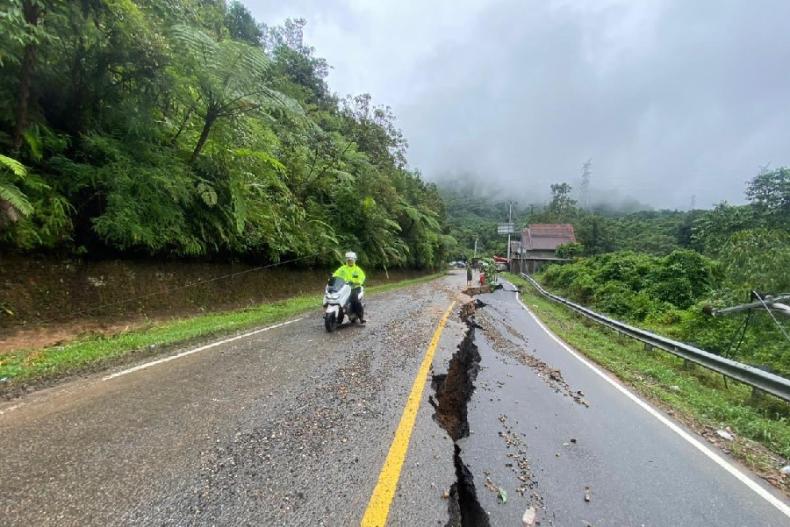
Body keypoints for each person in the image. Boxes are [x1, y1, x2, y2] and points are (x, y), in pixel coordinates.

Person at [333, 251, 367, 324]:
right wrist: (332, 278)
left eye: (351, 260)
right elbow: (335, 274)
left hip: (354, 288)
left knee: (355, 301)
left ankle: (361, 317)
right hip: (343, 288)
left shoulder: (357, 270)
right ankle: (338, 314)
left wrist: (358, 282)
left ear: (354, 260)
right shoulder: (342, 269)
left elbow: (362, 277)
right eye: (348, 260)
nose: (350, 261)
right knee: (337, 298)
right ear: (346, 260)